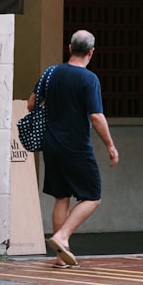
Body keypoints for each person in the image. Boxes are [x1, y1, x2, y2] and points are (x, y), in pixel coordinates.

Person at [28, 29, 119, 269]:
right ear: (91, 52)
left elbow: (30, 103)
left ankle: (61, 256)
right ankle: (62, 236)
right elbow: (96, 116)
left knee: (62, 196)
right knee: (93, 195)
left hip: (51, 144)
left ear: (69, 48)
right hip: (76, 147)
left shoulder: (52, 73)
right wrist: (110, 145)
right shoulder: (89, 79)